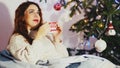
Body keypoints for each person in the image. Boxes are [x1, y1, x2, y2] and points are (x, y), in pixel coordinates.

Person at [6, 1, 117, 68]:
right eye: (31, 11)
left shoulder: (44, 35)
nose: (36, 14)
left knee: (101, 63)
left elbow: (64, 57)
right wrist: (39, 36)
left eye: (38, 12)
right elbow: (28, 61)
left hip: (65, 64)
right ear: (22, 17)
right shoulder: (17, 38)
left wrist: (56, 38)